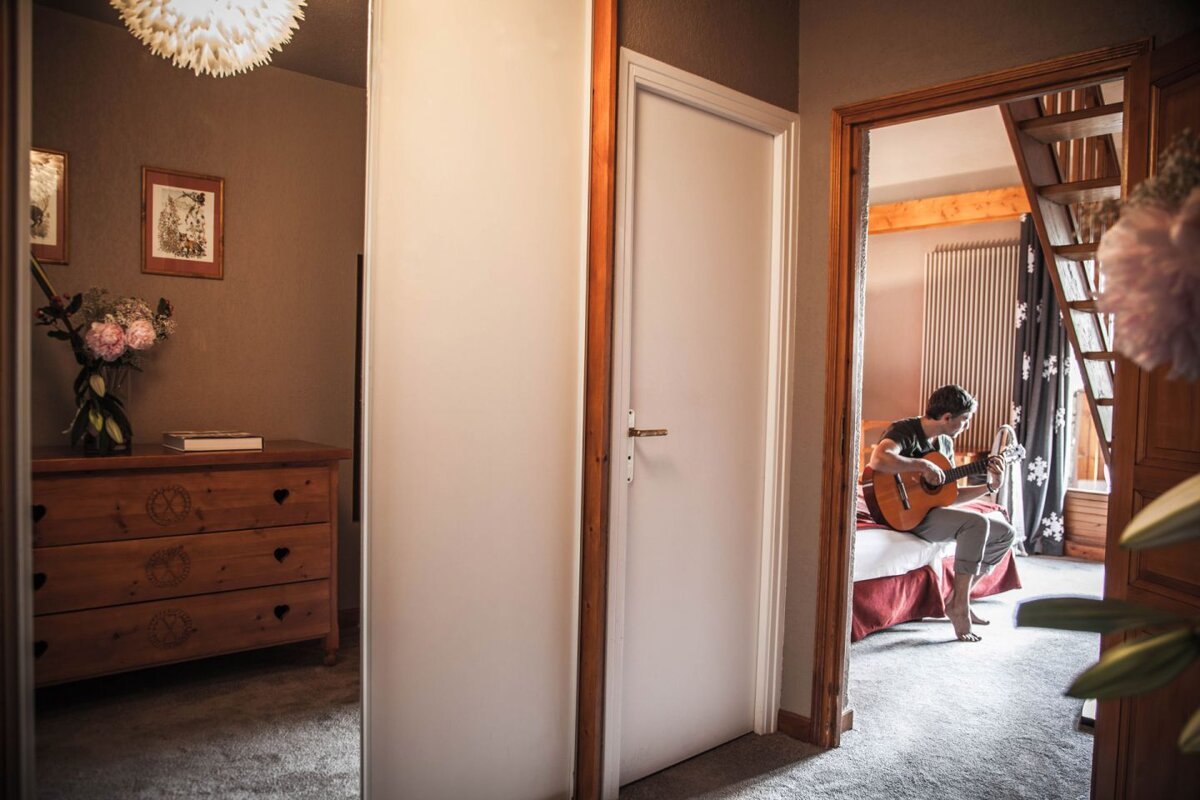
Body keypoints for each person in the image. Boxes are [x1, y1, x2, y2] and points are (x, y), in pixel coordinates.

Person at [868, 384, 1016, 642]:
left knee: (1005, 532)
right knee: (976, 523)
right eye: (965, 420)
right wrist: (921, 464)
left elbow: (949, 495)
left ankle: (960, 596)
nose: (966, 426)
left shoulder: (945, 443)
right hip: (901, 512)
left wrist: (991, 486)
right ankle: (959, 606)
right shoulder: (905, 430)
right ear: (947, 417)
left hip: (928, 511)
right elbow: (879, 460)